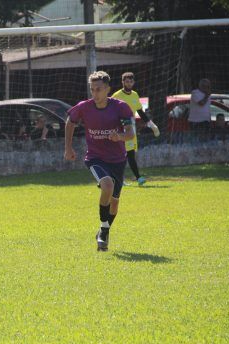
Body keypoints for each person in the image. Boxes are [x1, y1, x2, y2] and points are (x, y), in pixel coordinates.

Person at [64, 71, 135, 251]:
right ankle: (104, 230)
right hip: (95, 157)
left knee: (115, 203)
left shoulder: (121, 107)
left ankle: (104, 229)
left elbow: (130, 134)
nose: (95, 93)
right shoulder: (84, 107)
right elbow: (70, 121)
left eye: (99, 89)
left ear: (108, 89)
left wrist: (118, 136)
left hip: (118, 160)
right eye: (92, 89)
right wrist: (68, 147)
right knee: (107, 186)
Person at [111, 72, 160, 186]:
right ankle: (135, 178)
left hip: (131, 128)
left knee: (130, 154)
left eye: (131, 81)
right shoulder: (116, 96)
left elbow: (140, 112)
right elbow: (110, 111)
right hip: (120, 128)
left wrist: (151, 125)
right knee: (122, 154)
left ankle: (127, 178)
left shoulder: (135, 95)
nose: (129, 83)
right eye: (126, 81)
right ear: (122, 82)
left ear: (133, 82)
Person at [188, 78, 212, 143]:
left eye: (208, 86)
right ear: (201, 86)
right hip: (196, 121)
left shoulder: (207, 95)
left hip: (205, 121)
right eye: (205, 86)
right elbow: (201, 103)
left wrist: (209, 118)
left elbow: (207, 108)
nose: (207, 88)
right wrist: (207, 96)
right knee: (197, 140)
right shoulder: (195, 93)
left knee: (205, 140)